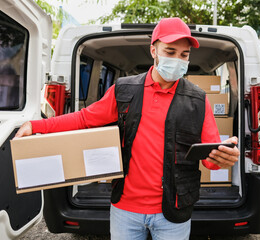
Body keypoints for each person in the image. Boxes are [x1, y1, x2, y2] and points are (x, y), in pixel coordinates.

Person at [15, 17, 240, 240]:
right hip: (126, 210)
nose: (178, 60)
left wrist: (225, 157)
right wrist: (36, 125)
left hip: (173, 211)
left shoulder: (198, 100)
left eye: (184, 55)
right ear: (153, 50)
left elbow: (210, 158)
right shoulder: (124, 90)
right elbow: (84, 119)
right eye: (170, 52)